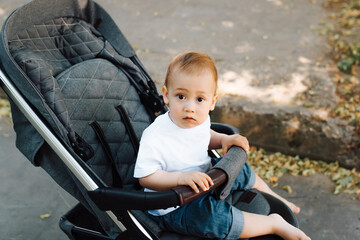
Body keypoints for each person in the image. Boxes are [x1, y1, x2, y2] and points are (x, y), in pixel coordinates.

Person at [134, 51, 310, 240]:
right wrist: (180, 178)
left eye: (199, 99)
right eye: (181, 96)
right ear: (166, 95)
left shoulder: (197, 120)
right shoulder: (155, 135)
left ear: (212, 102)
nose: (190, 107)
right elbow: (146, 177)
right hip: (174, 205)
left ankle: (274, 196)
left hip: (205, 180)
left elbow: (203, 136)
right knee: (212, 219)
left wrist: (223, 140)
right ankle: (273, 224)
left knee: (239, 168)